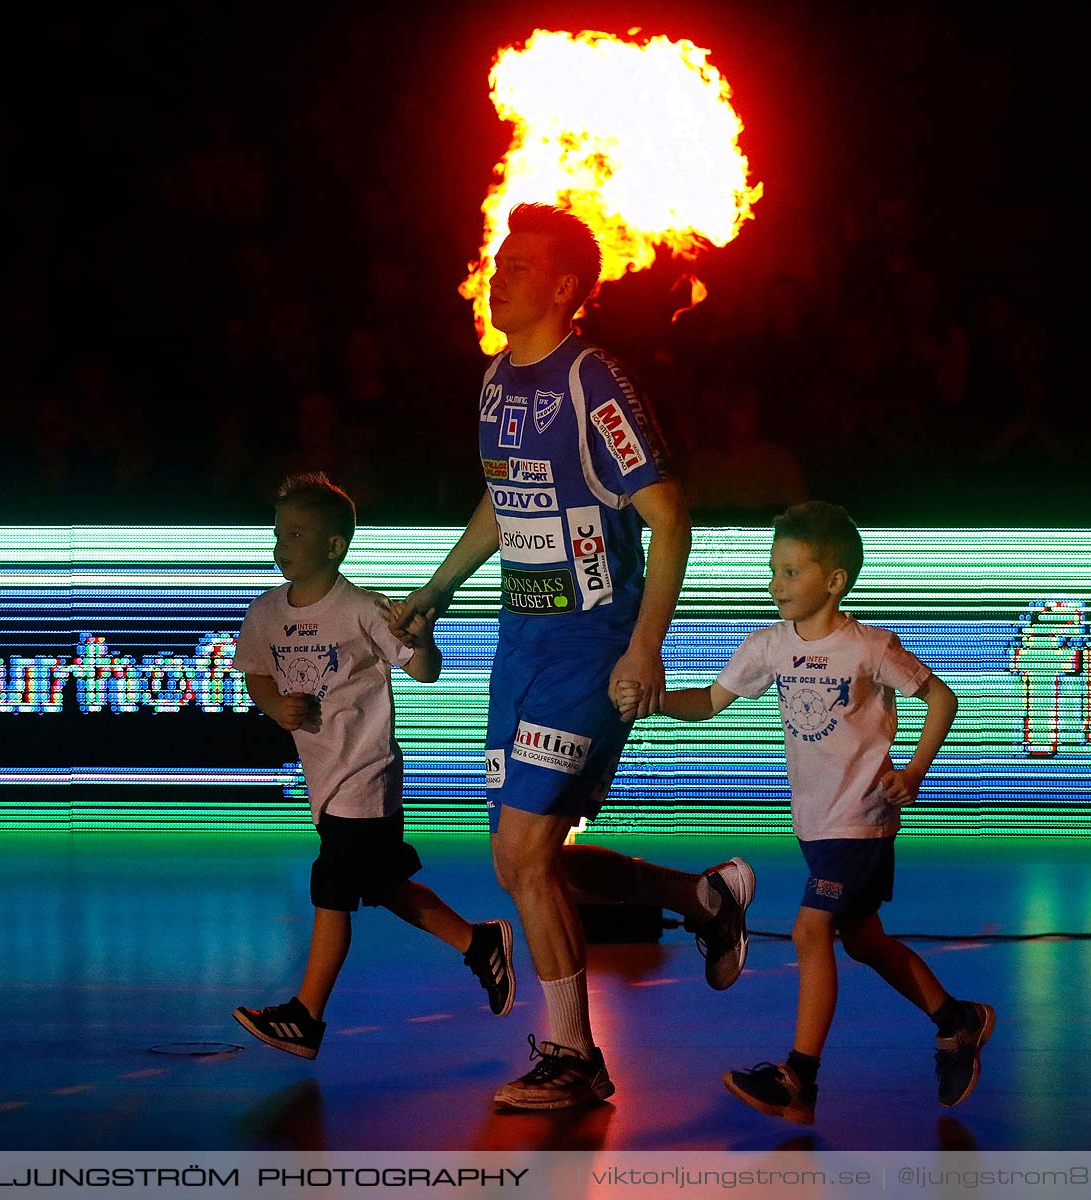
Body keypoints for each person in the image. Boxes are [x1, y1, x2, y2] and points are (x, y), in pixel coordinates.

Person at [390, 203, 755, 1110]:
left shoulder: (594, 378)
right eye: (499, 260)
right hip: (520, 639)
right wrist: (437, 589)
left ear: (563, 286)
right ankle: (700, 899)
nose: (499, 272)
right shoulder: (493, 379)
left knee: (521, 850)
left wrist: (645, 646)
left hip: (591, 640)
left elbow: (669, 516)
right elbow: (502, 498)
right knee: (526, 856)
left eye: (520, 263)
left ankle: (575, 1057)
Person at [616, 501, 994, 1121]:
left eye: (791, 572)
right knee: (865, 940)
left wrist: (914, 771)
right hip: (815, 826)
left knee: (809, 930)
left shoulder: (869, 647)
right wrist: (654, 702)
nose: (775, 584)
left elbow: (941, 698)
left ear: (835, 581)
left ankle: (800, 1078)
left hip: (860, 820)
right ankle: (957, 1021)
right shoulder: (769, 645)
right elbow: (713, 700)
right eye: (773, 569)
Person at [231, 472, 516, 1059]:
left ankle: (305, 1016)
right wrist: (273, 704)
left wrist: (425, 636)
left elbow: (423, 669)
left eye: (297, 534)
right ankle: (479, 943)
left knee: (332, 888)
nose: (282, 546)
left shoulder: (363, 610)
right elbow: (256, 672)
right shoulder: (263, 614)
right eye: (279, 533)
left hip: (366, 777)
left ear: (334, 547)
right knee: (383, 884)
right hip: (324, 779)